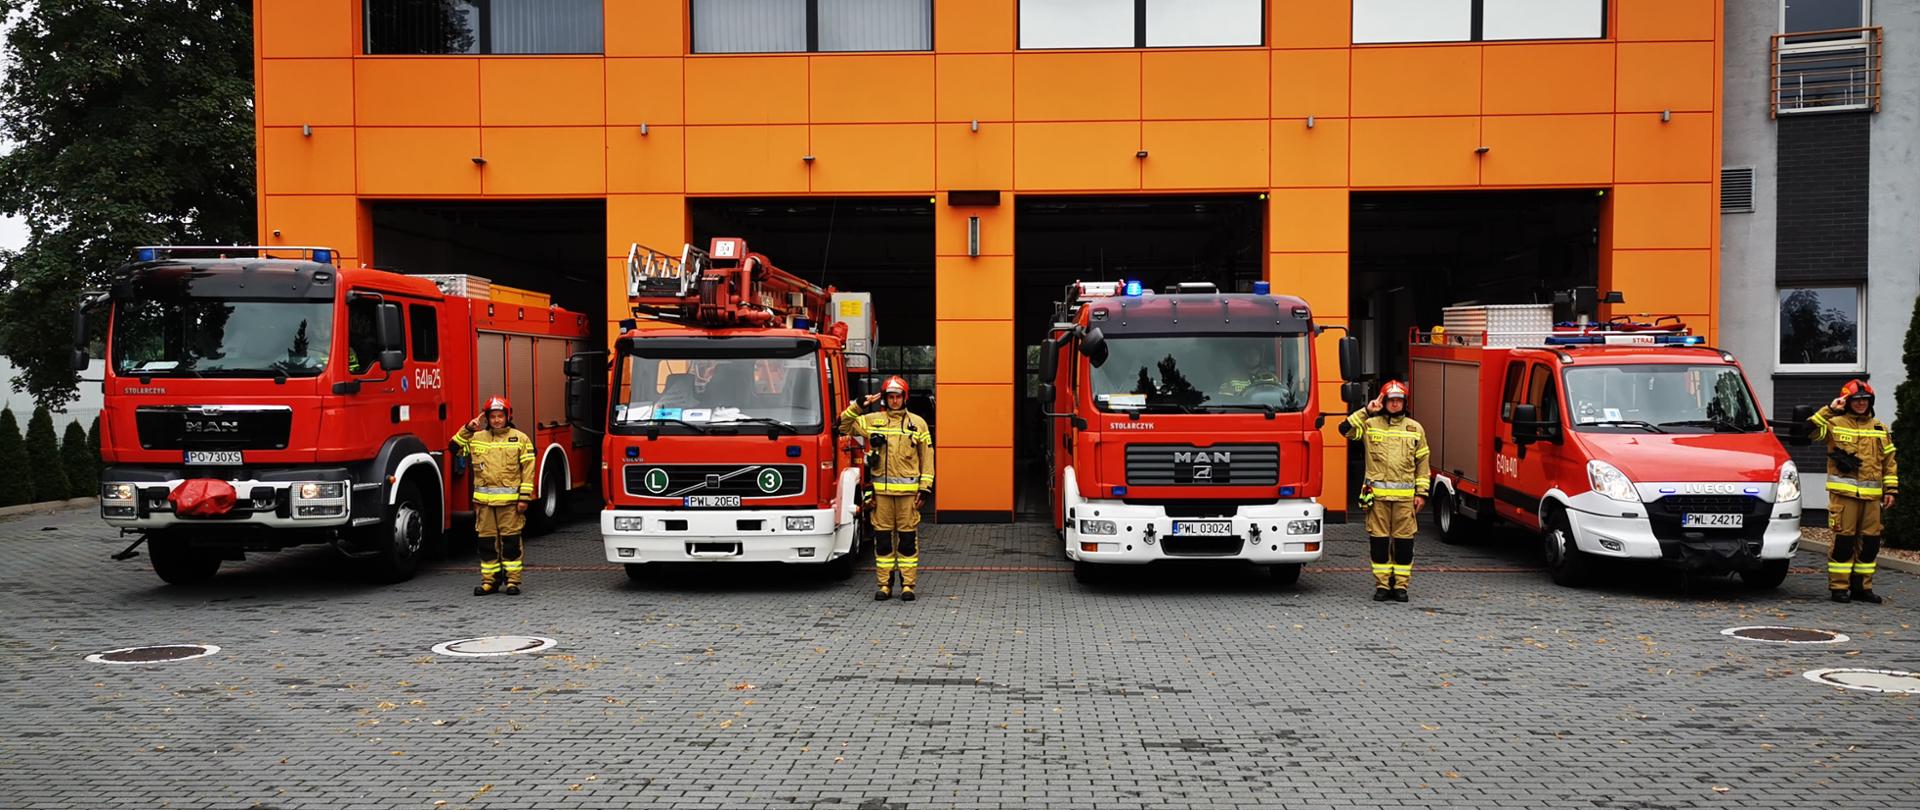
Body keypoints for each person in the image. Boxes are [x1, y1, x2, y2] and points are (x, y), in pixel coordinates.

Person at [839, 376, 934, 601]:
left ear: (904, 397)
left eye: (897, 396)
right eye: (890, 397)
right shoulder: (873, 420)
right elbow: (842, 426)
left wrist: (925, 488)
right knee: (882, 542)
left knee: (907, 541)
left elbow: (927, 458)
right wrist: (857, 406)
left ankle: (908, 585)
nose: (894, 401)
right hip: (881, 496)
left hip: (908, 497)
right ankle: (884, 585)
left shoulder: (917, 423)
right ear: (885, 398)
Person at [1340, 379, 1431, 602]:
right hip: (1377, 500)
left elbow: (1423, 464)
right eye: (1391, 400)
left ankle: (1400, 587)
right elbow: (1344, 430)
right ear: (1384, 401)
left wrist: (1421, 493)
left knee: (1404, 544)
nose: (1395, 404)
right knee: (1379, 544)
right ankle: (1382, 586)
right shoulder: (1371, 425)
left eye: (1399, 400)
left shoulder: (1415, 428)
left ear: (1404, 402)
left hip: (1405, 501)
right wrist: (1366, 411)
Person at [1809, 380, 1898, 604]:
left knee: (1870, 544)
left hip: (1872, 498)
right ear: (1848, 402)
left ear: (1870, 402)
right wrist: (1830, 409)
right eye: (1856, 400)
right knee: (1843, 543)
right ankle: (1839, 587)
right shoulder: (1834, 423)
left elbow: (1889, 462)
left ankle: (1862, 588)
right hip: (1844, 497)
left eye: (1864, 400)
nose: (1860, 404)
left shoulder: (1880, 428)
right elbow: (1809, 432)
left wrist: (1892, 490)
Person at [453, 395, 536, 596]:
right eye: (493, 416)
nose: (497, 420)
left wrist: (524, 498)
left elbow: (528, 470)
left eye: (500, 416)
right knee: (487, 543)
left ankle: (512, 581)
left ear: (508, 416)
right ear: (486, 418)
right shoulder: (476, 438)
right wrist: (468, 428)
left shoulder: (520, 438)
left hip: (510, 504)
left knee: (510, 543)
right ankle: (489, 581)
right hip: (484, 505)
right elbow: (453, 448)